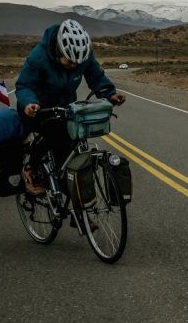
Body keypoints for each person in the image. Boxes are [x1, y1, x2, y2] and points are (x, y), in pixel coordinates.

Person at [16, 19, 126, 193]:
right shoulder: (39, 57)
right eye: (70, 61)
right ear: (58, 48)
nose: (74, 66)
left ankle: (77, 211)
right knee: (52, 135)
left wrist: (110, 93)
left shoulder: (84, 56)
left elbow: (96, 76)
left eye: (78, 63)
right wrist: (29, 103)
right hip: (37, 107)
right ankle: (30, 169)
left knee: (71, 145)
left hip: (65, 106)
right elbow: (25, 86)